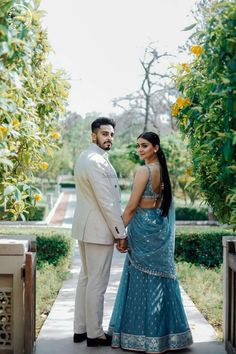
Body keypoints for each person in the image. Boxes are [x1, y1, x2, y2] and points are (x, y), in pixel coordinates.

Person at [108, 132, 193, 353]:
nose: (140, 150)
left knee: (139, 281)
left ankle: (139, 336)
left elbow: (131, 207)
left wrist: (118, 233)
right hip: (158, 228)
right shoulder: (163, 172)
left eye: (144, 145)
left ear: (155, 147)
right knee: (161, 281)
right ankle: (167, 337)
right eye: (138, 146)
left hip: (142, 229)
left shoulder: (144, 171)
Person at [71, 117, 127, 347]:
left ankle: (80, 330)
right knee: (96, 282)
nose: (109, 138)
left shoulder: (85, 157)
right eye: (105, 134)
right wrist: (120, 233)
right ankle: (95, 334)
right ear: (94, 135)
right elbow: (107, 202)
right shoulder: (96, 161)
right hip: (97, 230)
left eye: (112, 134)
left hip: (86, 228)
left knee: (86, 279)